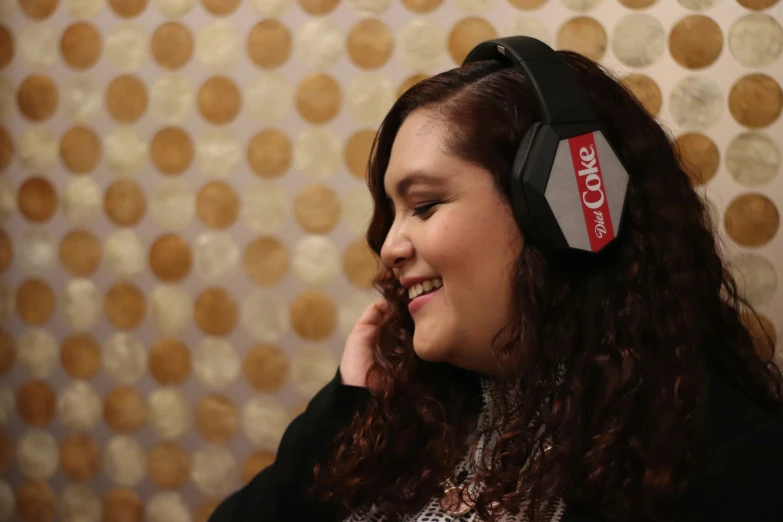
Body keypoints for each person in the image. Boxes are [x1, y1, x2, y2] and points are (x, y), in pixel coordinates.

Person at [209, 37, 783, 522]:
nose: (388, 249)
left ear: (567, 212)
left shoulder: (739, 468)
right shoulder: (399, 419)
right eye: (392, 214)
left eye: (426, 205)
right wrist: (344, 405)